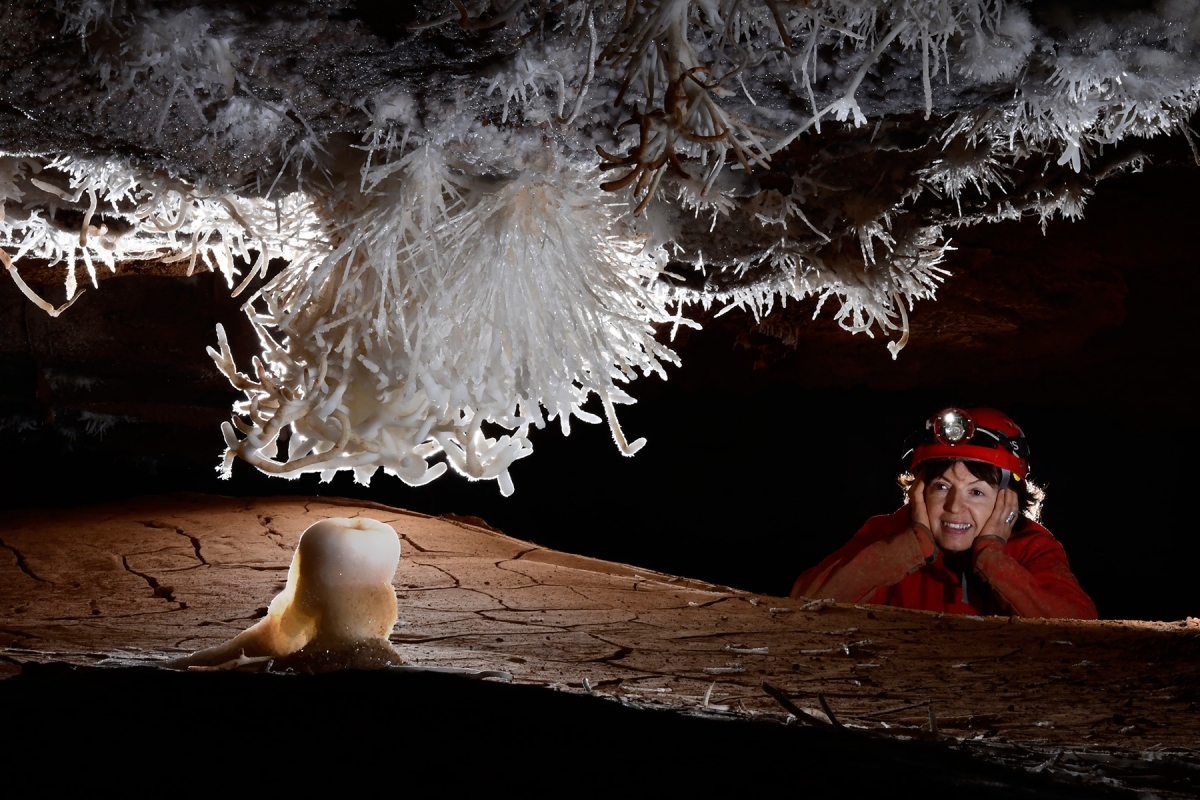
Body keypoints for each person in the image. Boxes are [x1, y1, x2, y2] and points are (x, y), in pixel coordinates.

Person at [791, 407, 1097, 619]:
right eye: (940, 486)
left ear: (1008, 500)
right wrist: (912, 548)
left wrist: (992, 558)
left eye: (976, 492)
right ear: (919, 490)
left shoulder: (1032, 547)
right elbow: (803, 602)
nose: (953, 507)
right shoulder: (891, 537)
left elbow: (1081, 629)